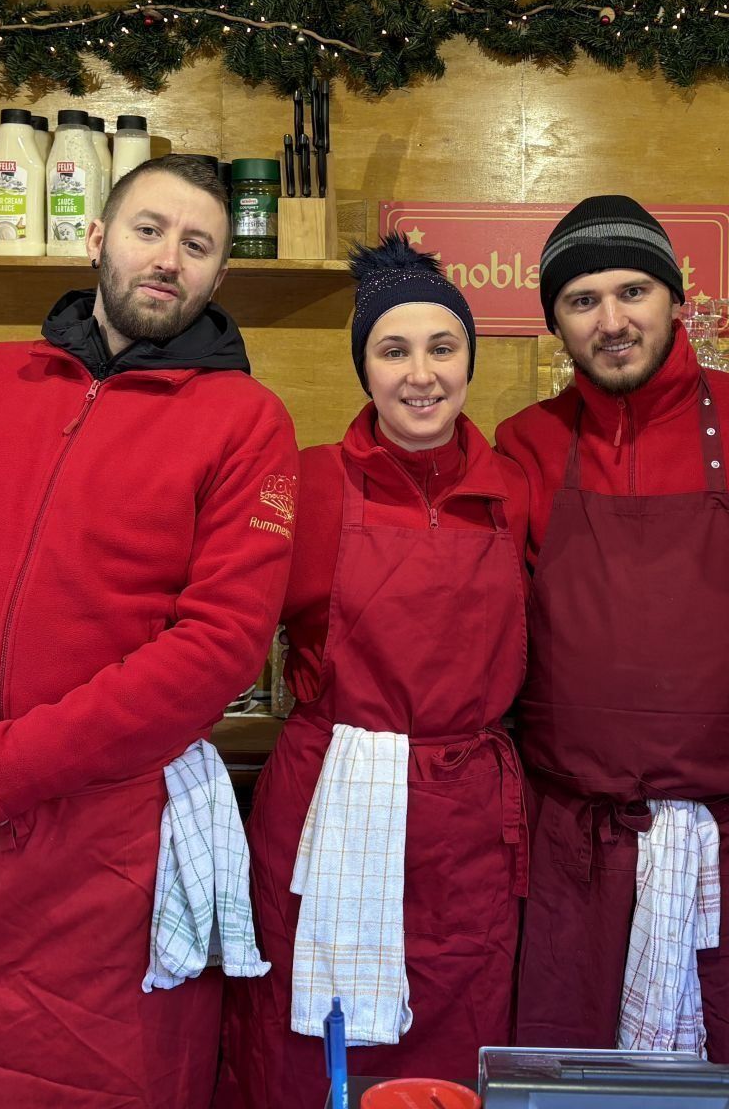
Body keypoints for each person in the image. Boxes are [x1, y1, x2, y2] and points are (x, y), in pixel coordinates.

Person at [0, 155, 299, 1109]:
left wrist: (9, 770)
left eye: (197, 245)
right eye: (148, 230)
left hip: (105, 851)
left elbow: (219, 645)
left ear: (217, 278)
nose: (168, 259)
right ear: (96, 240)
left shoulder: (247, 423)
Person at [496, 196, 729, 1086]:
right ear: (556, 323)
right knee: (562, 1084)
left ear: (676, 298)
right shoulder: (525, 445)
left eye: (633, 290)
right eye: (582, 300)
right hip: (574, 844)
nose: (612, 322)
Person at [215, 234, 531, 1109]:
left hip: (465, 824)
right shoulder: (309, 485)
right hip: (327, 805)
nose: (420, 374)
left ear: (470, 358)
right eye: (393, 351)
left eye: (442, 347)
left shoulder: (517, 490)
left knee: (454, 1042)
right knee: (305, 1046)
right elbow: (217, 621)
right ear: (365, 367)